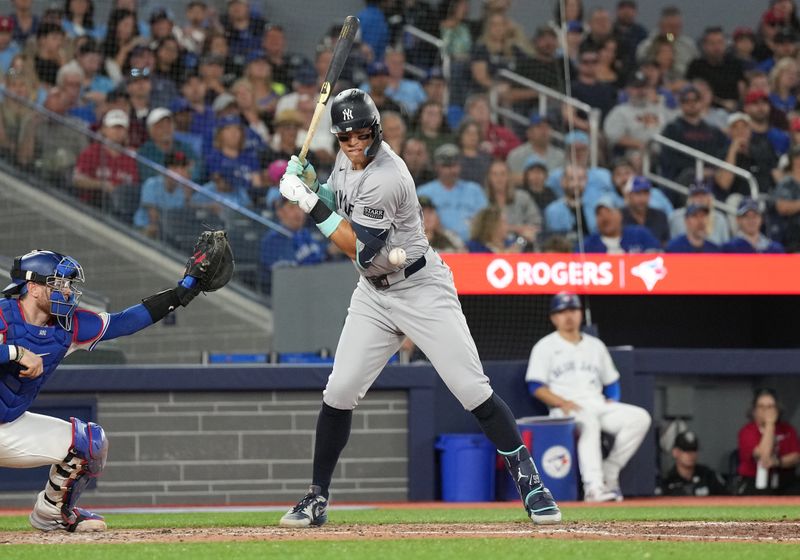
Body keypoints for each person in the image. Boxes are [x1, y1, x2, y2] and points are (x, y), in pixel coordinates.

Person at [277, 88, 561, 527]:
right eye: (345, 136)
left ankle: (532, 483)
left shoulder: (390, 175)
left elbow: (360, 249)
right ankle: (316, 497)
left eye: (360, 135)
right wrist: (315, 186)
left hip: (420, 287)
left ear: (374, 131)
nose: (353, 144)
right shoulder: (344, 159)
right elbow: (340, 204)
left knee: (471, 388)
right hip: (374, 294)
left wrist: (306, 202)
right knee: (339, 390)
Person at [0, 244, 219, 531]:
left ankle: (51, 513)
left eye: (67, 284)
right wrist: (16, 352)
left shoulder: (68, 327)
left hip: (8, 426)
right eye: (58, 283)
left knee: (89, 443)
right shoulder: (4, 314)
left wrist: (183, 290)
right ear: (34, 287)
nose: (67, 291)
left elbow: (124, 322)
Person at [526, 292, 651, 502]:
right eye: (562, 311)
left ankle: (610, 472)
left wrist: (613, 399)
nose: (568, 316)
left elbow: (611, 382)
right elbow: (535, 386)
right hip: (566, 409)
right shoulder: (545, 346)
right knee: (589, 422)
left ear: (580, 314)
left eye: (572, 310)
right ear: (553, 317)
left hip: (596, 403)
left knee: (640, 417)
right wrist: (562, 402)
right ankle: (593, 487)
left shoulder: (596, 345)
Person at [417, 143, 488, 242]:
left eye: (454, 165)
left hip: (473, 245)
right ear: (436, 167)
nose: (451, 170)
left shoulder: (474, 190)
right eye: (446, 166)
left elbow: (486, 221)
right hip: (437, 245)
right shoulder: (423, 192)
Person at [736, 388, 800, 495]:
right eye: (761, 407)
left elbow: (796, 456)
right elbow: (763, 457)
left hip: (785, 480)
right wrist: (770, 424)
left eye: (771, 406)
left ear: (777, 409)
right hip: (754, 481)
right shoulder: (747, 431)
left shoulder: (788, 429)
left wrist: (777, 462)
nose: (766, 411)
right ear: (754, 410)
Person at [259, 197, 327, 294]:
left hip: (314, 289)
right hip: (287, 295)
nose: (298, 213)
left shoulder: (306, 234)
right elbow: (286, 275)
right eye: (292, 208)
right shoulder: (272, 240)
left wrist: (330, 253)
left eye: (300, 208)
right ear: (280, 212)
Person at [581, 196, 660, 253]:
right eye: (599, 214)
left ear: (620, 215)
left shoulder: (639, 235)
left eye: (609, 212)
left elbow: (658, 256)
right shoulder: (588, 245)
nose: (604, 218)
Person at [660, 431, 728, 496]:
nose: (691, 454)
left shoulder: (707, 475)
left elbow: (727, 498)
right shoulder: (667, 479)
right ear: (675, 452)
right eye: (686, 450)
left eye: (693, 450)